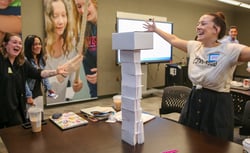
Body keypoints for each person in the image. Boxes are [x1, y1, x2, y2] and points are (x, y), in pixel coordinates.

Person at [144, 12, 250, 141]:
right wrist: (155, 29)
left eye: (203, 23)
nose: (198, 27)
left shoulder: (230, 50)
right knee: (189, 138)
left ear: (216, 29)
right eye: (198, 23)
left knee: (216, 143)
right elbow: (173, 39)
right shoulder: (194, 46)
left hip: (217, 103)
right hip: (194, 98)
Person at [0, 32, 74, 128]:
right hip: (2, 107)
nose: (18, 45)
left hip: (16, 106)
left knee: (16, 132)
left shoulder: (21, 62)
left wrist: (56, 71)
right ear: (5, 44)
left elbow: (38, 73)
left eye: (19, 43)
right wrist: (29, 95)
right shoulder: (2, 61)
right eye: (14, 42)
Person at [44, 0, 84, 104]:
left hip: (59, 107)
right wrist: (63, 73)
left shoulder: (71, 42)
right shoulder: (39, 46)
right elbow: (41, 88)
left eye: (63, 15)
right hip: (41, 108)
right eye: (55, 16)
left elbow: (73, 76)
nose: (61, 21)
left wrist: (77, 83)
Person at [74, 0, 98, 98]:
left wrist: (104, 73)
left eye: (87, 5)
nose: (83, 11)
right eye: (79, 6)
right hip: (95, 94)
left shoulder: (109, 26)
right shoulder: (84, 31)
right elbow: (81, 59)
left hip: (113, 91)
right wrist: (76, 78)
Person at [24, 35, 55, 105]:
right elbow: (23, 81)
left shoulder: (40, 59)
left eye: (39, 44)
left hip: (38, 91)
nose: (38, 46)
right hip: (29, 92)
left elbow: (44, 75)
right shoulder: (25, 60)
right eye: (35, 44)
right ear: (29, 46)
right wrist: (28, 96)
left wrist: (49, 88)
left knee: (39, 113)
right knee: (30, 115)